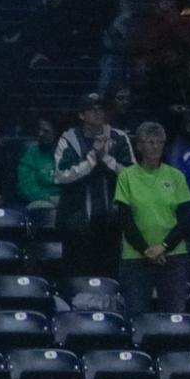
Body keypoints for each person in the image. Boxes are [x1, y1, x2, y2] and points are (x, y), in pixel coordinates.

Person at [114, 120, 190, 316]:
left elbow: (185, 219)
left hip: (172, 256)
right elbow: (126, 221)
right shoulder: (127, 177)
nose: (155, 146)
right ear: (139, 146)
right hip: (136, 256)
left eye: (160, 142)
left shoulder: (176, 176)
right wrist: (146, 250)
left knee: (175, 314)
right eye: (150, 142)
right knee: (137, 314)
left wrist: (164, 247)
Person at [55, 93, 136, 277]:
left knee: (109, 273)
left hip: (112, 220)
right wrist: (92, 158)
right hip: (77, 220)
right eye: (92, 109)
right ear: (81, 115)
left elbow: (132, 176)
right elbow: (62, 175)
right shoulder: (68, 139)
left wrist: (106, 159)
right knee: (78, 273)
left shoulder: (119, 137)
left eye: (101, 109)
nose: (98, 113)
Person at [17, 116, 63, 209]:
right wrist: (49, 198)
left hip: (67, 201)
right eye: (39, 130)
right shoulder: (31, 154)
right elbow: (26, 185)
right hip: (41, 201)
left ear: (57, 133)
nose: (40, 134)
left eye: (46, 131)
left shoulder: (71, 153)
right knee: (43, 206)